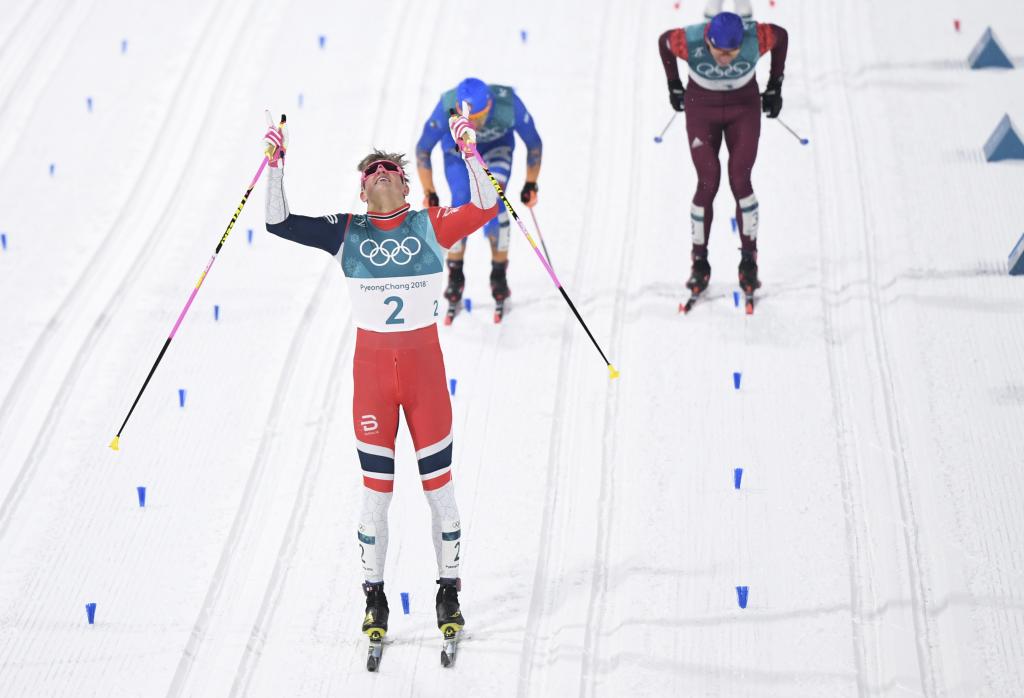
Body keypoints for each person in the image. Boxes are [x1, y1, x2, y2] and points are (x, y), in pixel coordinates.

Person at [262, 110, 497, 648]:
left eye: (391, 169)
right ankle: (375, 597)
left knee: (441, 491)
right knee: (376, 495)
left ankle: (449, 591)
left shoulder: (431, 225)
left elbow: (487, 205)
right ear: (362, 192)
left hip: (425, 379)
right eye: (372, 172)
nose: (382, 174)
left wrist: (469, 149)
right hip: (373, 383)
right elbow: (278, 223)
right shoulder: (346, 231)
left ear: (406, 186)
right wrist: (275, 164)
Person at [658, 11, 788, 300]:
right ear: (708, 40)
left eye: (733, 52)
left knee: (741, 180)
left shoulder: (757, 37)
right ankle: (699, 262)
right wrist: (673, 84)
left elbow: (782, 37)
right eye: (719, 52)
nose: (726, 59)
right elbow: (663, 42)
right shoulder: (689, 40)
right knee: (707, 182)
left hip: (743, 109)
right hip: (701, 110)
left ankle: (749, 261)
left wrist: (775, 86)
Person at [415, 77, 542, 321]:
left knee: (494, 202)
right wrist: (429, 191)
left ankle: (498, 278)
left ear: (490, 106)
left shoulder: (508, 105)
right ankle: (455, 278)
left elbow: (534, 143)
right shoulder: (446, 107)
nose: (474, 126)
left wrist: (530, 183)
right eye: (468, 120)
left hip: (496, 148)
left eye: (479, 119)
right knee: (461, 202)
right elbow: (423, 148)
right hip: (458, 153)